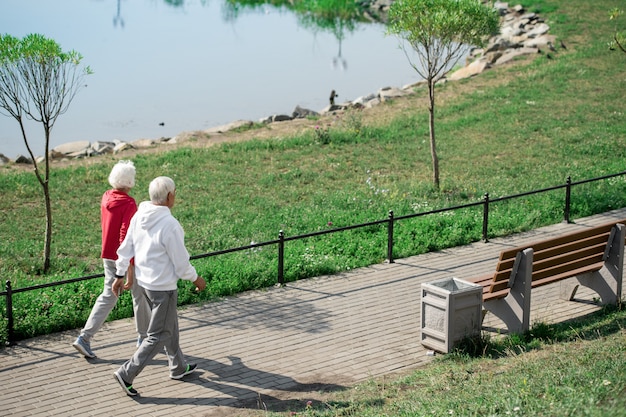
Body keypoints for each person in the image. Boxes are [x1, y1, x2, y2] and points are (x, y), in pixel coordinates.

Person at [112, 176, 207, 396]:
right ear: (170, 196)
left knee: (169, 324)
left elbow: (126, 247)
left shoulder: (140, 215)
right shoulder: (170, 225)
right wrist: (195, 278)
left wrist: (120, 273)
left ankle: (178, 367)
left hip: (144, 283)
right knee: (159, 334)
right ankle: (127, 373)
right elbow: (181, 262)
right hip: (163, 287)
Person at [72, 160, 151, 359]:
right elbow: (127, 235)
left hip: (108, 254)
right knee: (138, 293)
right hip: (124, 256)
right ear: (130, 181)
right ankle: (142, 338)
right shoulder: (129, 203)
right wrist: (129, 268)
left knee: (110, 294)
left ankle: (85, 337)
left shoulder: (106, 196)